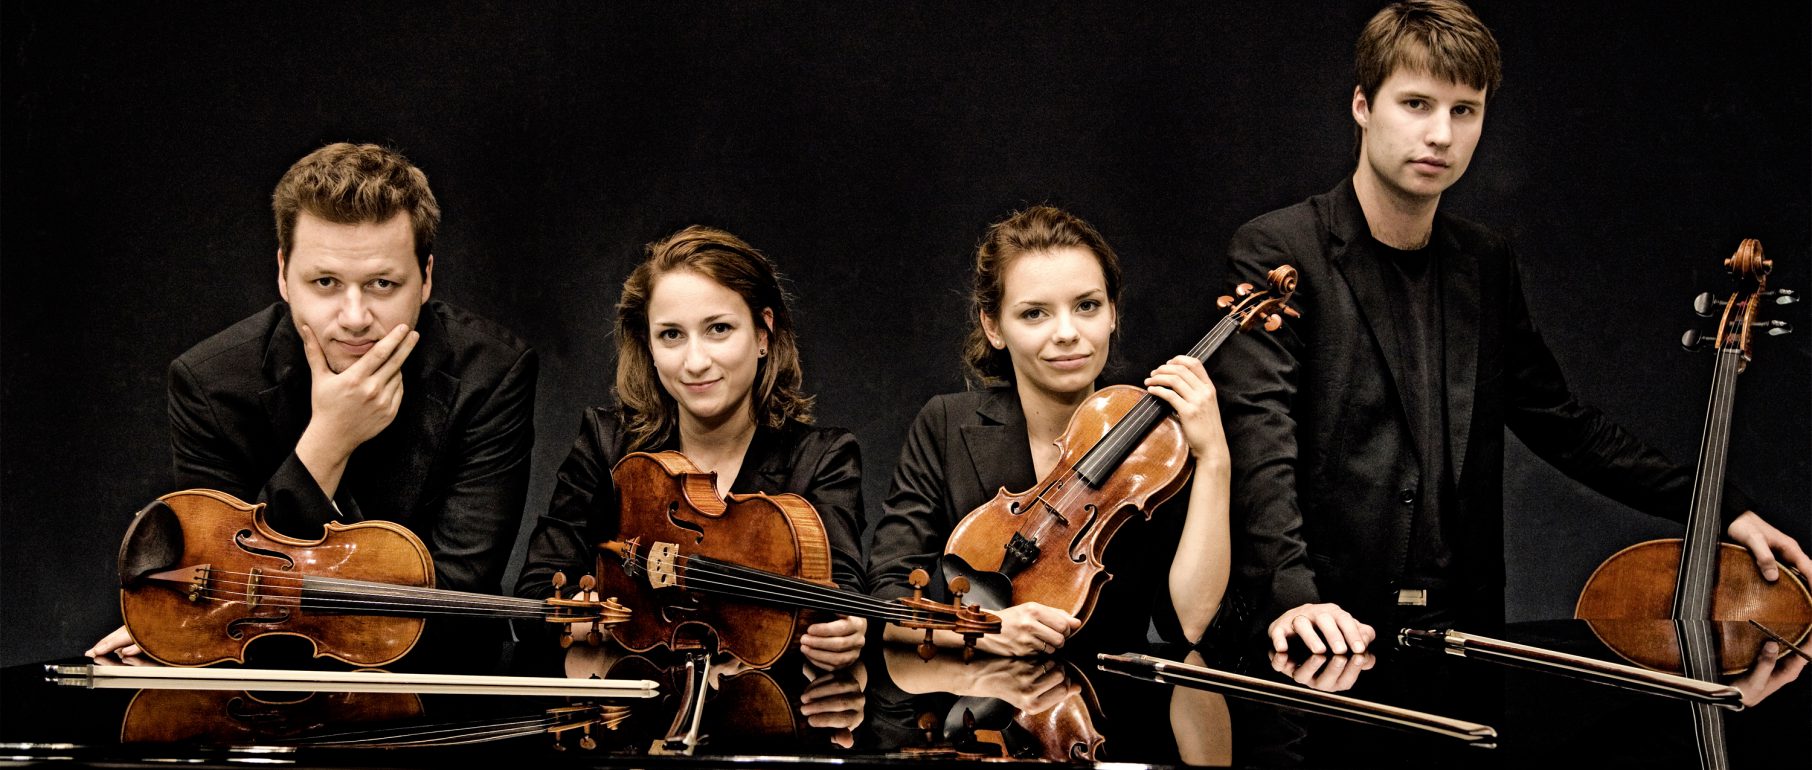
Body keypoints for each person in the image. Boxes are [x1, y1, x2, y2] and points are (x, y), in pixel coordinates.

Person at [1212, 0, 1812, 656]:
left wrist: (1721, 506)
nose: (1440, 135)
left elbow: (1565, 426)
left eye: (1463, 111)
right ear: (1362, 105)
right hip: (1317, 630)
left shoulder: (1483, 262)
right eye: (1416, 104)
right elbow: (1260, 438)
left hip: (1461, 633)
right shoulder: (1281, 251)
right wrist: (1293, 594)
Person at [88, 142, 538, 660]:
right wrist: (328, 440)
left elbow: (455, 593)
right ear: (283, 273)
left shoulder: (492, 373)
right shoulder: (209, 383)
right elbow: (221, 578)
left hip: (439, 675)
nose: (355, 317)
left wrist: (238, 605)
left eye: (383, 283)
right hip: (265, 672)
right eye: (325, 282)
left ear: (426, 278)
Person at [865, 205, 1232, 657]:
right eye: (1035, 313)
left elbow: (1189, 624)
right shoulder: (944, 423)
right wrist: (983, 629)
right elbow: (886, 596)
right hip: (969, 696)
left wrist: (1214, 458)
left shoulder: (1159, 446)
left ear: (1113, 313)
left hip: (1112, 697)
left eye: (1087, 306)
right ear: (993, 326)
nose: (1066, 332)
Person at [514, 225, 867, 671]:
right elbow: (537, 593)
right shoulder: (607, 445)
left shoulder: (821, 460)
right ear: (648, 345)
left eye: (718, 329)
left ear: (763, 333)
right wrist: (586, 618)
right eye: (671, 335)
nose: (695, 362)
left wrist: (844, 630)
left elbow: (843, 593)